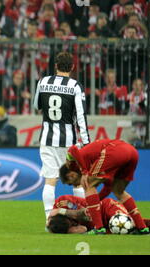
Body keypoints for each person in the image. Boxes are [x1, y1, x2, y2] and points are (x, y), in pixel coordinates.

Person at [33, 51, 91, 225]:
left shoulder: (43, 82)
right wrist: (87, 144)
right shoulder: (75, 86)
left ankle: (49, 221)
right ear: (72, 67)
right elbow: (81, 117)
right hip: (69, 143)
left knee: (50, 180)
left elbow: (37, 106)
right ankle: (83, 220)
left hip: (47, 139)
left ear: (56, 66)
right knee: (77, 182)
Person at [59, 139, 150, 234]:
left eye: (70, 183)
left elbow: (72, 149)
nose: (75, 185)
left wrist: (84, 172)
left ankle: (98, 228)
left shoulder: (71, 164)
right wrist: (91, 205)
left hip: (114, 151)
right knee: (118, 191)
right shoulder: (94, 163)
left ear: (70, 175)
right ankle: (142, 228)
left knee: (88, 185)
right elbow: (108, 187)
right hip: (132, 152)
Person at [47, 195, 150, 234]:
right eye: (71, 227)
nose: (74, 225)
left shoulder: (63, 202)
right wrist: (78, 230)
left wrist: (63, 211)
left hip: (106, 208)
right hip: (101, 226)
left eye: (72, 224)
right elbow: (49, 226)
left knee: (121, 222)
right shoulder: (59, 226)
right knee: (119, 230)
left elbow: (89, 211)